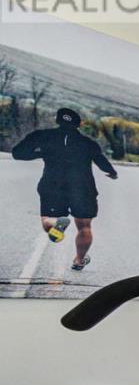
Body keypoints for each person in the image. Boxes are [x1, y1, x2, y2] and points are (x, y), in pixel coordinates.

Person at [11, 107, 117, 271]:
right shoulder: (88, 143)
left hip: (52, 185)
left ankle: (55, 225)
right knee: (84, 227)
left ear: (57, 120)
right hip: (82, 188)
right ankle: (79, 260)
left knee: (48, 220)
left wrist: (41, 152)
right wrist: (112, 172)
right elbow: (102, 162)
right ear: (79, 124)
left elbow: (17, 153)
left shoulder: (42, 136)